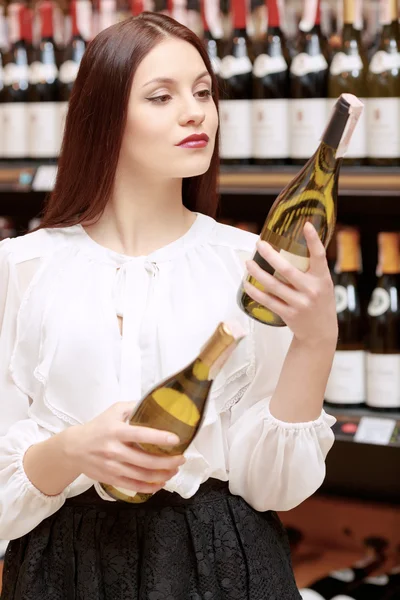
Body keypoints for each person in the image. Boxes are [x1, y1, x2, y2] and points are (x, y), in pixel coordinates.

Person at [0, 12, 338, 600]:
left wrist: (315, 341)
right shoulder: (22, 269)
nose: (196, 112)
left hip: (224, 565)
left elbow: (273, 486)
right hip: (64, 570)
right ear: (104, 117)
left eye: (203, 92)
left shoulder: (246, 263)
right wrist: (71, 449)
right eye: (162, 95)